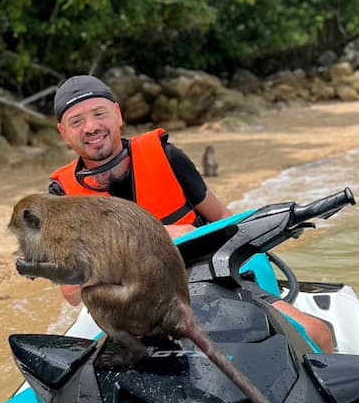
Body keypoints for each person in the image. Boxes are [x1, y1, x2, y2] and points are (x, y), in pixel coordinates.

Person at [48, 74, 334, 352]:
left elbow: (223, 219)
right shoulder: (61, 197)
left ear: (118, 115)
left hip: (209, 281)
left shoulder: (167, 157)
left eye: (99, 114)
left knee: (316, 333)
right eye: (77, 121)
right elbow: (72, 293)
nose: (91, 127)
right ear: (64, 133)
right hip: (132, 309)